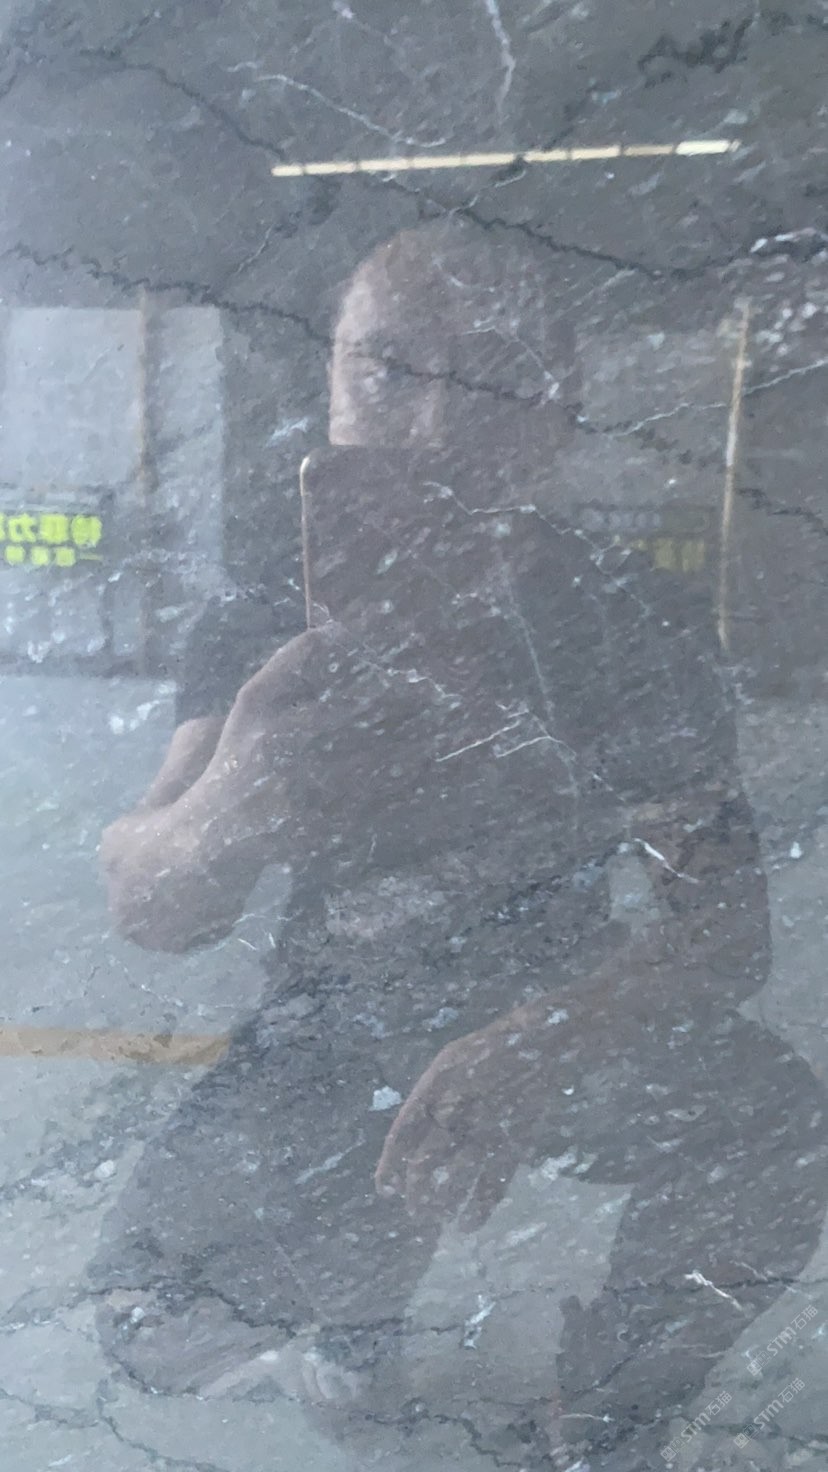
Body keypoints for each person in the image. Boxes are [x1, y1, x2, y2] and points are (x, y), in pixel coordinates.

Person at [94, 218, 826, 1472]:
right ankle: (359, 1313)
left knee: (778, 1133)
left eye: (490, 380)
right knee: (141, 1321)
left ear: (559, 408)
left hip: (564, 999)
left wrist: (543, 1037)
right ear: (331, 381)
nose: (436, 424)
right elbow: (152, 903)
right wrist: (242, 794)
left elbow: (725, 927)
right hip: (333, 1018)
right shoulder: (270, 615)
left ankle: (612, 1410)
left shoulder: (629, 626)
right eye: (390, 368)